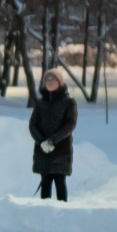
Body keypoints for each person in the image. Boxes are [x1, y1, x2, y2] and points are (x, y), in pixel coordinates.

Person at [29, 68, 77, 202]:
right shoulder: (40, 103)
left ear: (60, 82)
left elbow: (70, 124)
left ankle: (63, 213)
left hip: (61, 151)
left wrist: (52, 141)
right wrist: (41, 141)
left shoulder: (68, 102)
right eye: (47, 80)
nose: (49, 82)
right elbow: (32, 125)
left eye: (53, 79)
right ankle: (44, 213)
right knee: (45, 183)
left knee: (60, 182)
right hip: (42, 151)